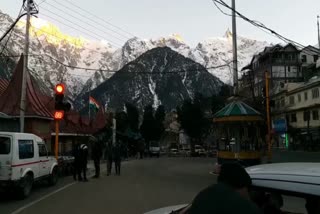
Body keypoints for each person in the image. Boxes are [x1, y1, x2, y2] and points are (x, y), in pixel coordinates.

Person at [188, 162, 262, 214]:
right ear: (241, 186)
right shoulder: (243, 206)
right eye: (247, 189)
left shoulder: (203, 195)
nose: (248, 193)